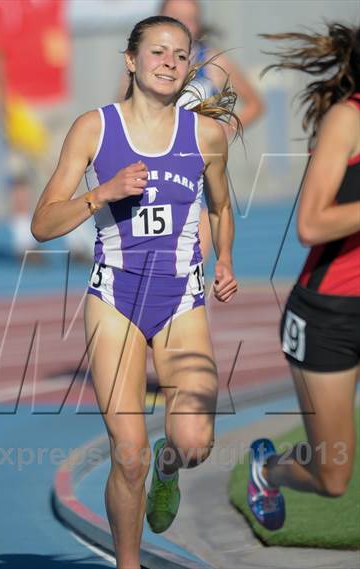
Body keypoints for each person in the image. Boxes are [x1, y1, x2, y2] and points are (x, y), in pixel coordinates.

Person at [32, 15, 238, 568]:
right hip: (115, 301)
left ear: (189, 66)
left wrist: (223, 258)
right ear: (131, 61)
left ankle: (167, 473)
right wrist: (103, 191)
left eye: (179, 54)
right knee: (128, 456)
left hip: (181, 299)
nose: (168, 61)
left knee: (193, 442)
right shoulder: (94, 128)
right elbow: (44, 223)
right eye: (157, 52)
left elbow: (220, 207)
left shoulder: (205, 134)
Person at [247, 23, 360, 531]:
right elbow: (312, 225)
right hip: (329, 316)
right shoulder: (347, 119)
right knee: (333, 478)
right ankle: (267, 469)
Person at [0, 0, 94, 261]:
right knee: (19, 171)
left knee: (66, 166)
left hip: (57, 97)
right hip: (21, 101)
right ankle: (23, 240)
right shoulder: (0, 4)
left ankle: (75, 237)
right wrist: (4, 102)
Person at [159, 0, 264, 260]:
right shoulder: (145, 61)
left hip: (199, 168)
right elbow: (123, 108)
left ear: (199, 24)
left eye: (190, 18)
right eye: (175, 16)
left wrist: (221, 131)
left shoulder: (214, 61)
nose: (183, 24)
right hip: (156, 164)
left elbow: (255, 104)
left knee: (193, 262)